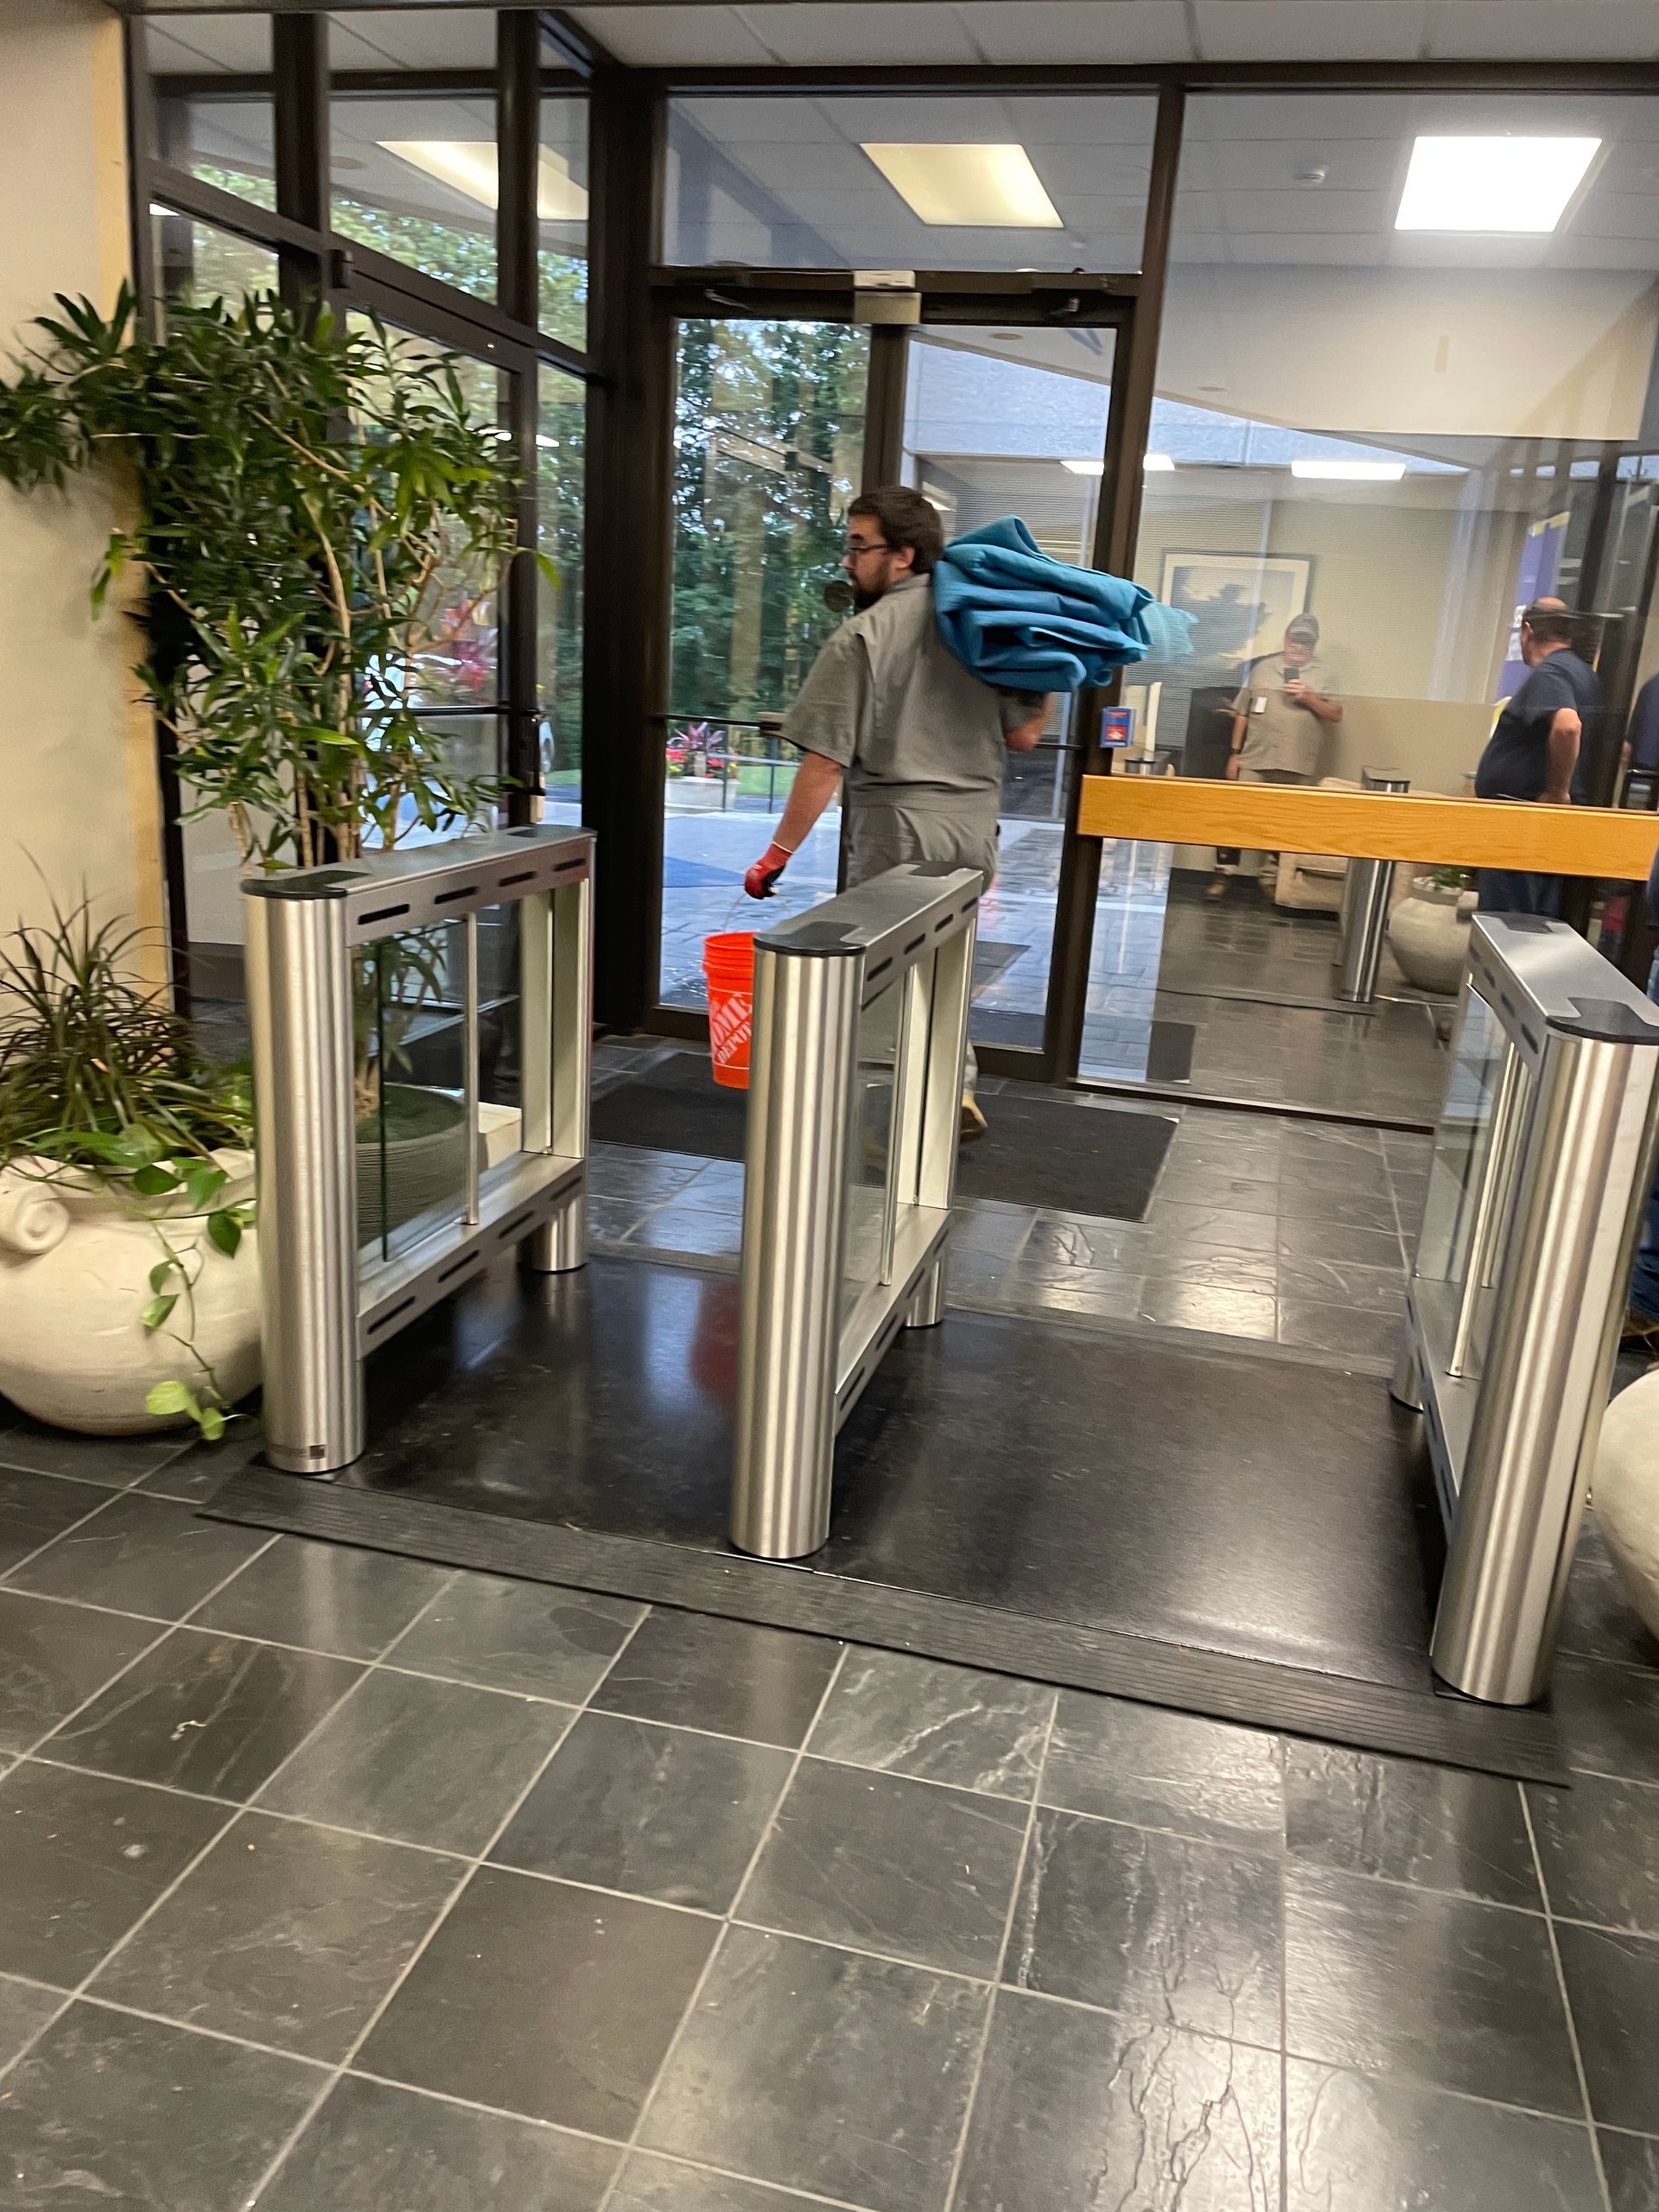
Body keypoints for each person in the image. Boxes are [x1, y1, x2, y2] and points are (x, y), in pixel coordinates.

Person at [743, 486, 1046, 1139]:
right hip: (973, 826)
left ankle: (882, 1117)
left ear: (903, 555)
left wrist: (776, 856)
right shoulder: (981, 626)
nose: (849, 562)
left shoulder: (863, 636)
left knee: (881, 973)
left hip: (897, 825)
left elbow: (824, 763)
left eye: (860, 547)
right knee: (946, 967)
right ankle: (953, 1091)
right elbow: (1024, 736)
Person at [1473, 600, 1599, 916]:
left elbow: (1568, 727)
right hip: (1541, 825)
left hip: (1522, 824)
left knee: (1508, 928)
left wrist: (1558, 790)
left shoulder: (1551, 671)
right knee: (1531, 925)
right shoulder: (1583, 674)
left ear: (1527, 632)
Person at [1208, 612, 1342, 899]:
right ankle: (1223, 876)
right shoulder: (1262, 669)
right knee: (1236, 817)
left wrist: (1309, 697)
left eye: (1306, 643)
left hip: (1296, 763)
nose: (1298, 648)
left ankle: (1271, 880)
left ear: (1314, 645)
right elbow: (1242, 713)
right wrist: (1234, 754)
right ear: (1286, 638)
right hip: (1254, 758)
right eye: (1295, 640)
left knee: (1285, 823)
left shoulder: (1325, 674)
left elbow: (1336, 714)